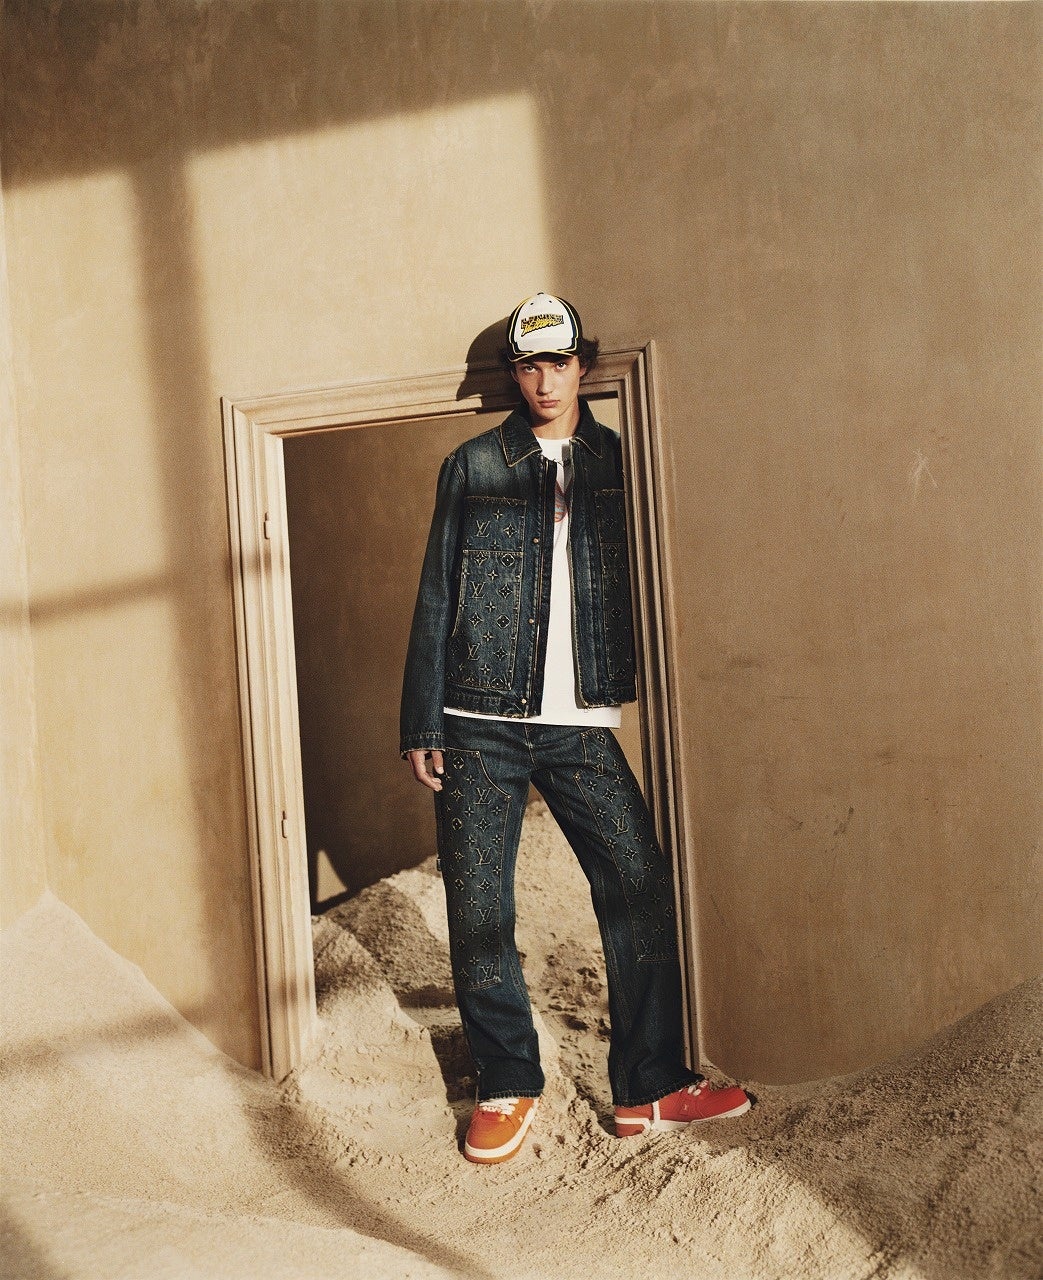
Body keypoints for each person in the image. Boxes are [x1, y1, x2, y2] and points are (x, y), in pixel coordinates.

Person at [400, 292, 750, 1164]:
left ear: (581, 365)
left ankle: (649, 1085)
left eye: (557, 363)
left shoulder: (621, 462)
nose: (544, 381)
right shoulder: (473, 465)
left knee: (639, 885)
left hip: (579, 719)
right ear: (514, 373)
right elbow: (437, 589)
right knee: (478, 906)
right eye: (529, 366)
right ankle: (506, 1080)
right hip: (476, 719)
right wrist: (420, 718)